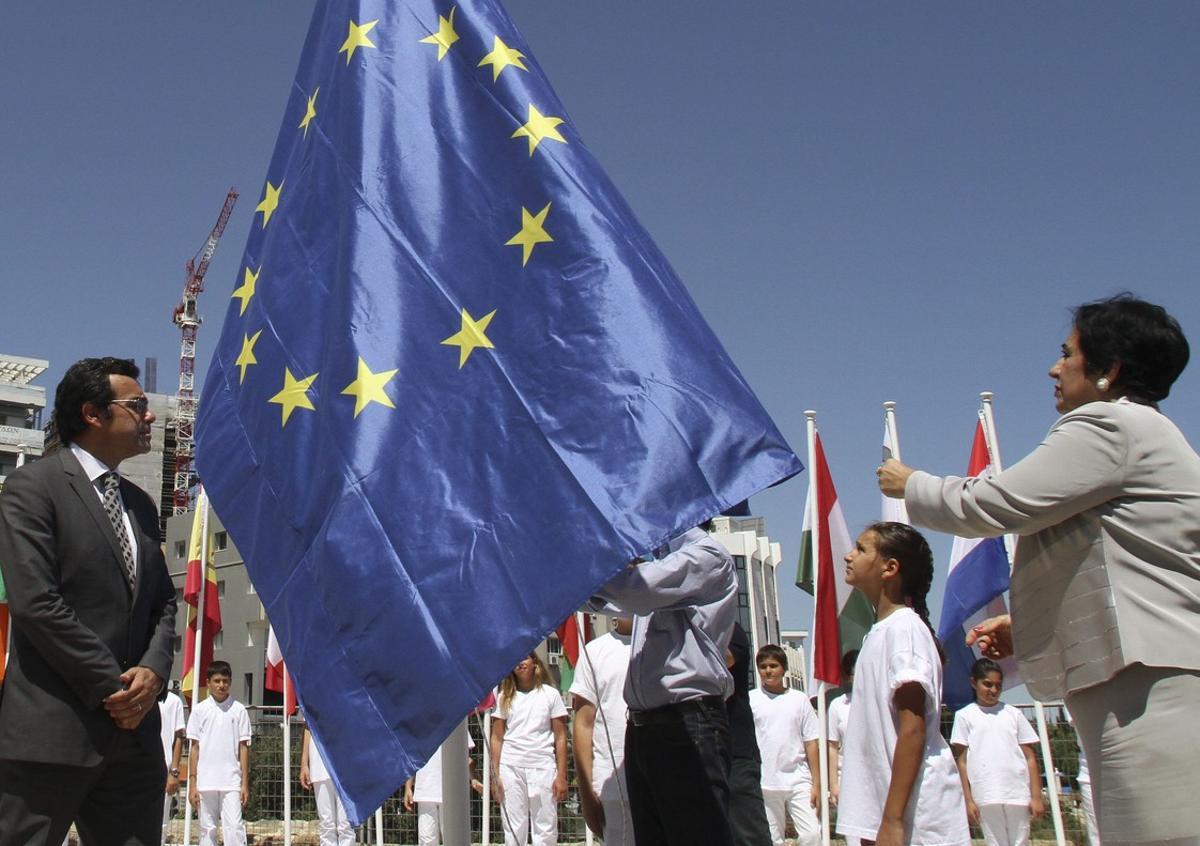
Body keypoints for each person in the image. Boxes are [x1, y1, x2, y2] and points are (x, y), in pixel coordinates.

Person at [880, 294, 1200, 844]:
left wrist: (913, 486)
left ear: (1110, 371)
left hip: (1151, 688)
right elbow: (1105, 570)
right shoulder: (1138, 433)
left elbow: (996, 502)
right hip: (1145, 681)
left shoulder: (1110, 427)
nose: (1054, 367)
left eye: (1067, 353)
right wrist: (1025, 628)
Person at [0, 356, 178, 844]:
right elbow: (37, 603)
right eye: (137, 404)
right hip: (52, 735)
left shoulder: (140, 505)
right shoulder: (32, 489)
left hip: (135, 740)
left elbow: (163, 602)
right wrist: (114, 687)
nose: (150, 416)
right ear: (93, 414)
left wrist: (154, 672)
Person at [588, 523, 738, 846]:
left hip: (687, 723)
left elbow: (635, 591)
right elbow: (613, 601)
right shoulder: (661, 564)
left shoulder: (707, 556)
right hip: (646, 729)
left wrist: (589, 568)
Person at [836, 522, 970, 846]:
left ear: (890, 568)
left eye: (861, 549)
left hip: (917, 818)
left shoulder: (904, 631)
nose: (848, 556)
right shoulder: (878, 633)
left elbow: (912, 729)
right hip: (885, 815)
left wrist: (893, 821)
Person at [950, 659, 1043, 846]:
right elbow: (962, 761)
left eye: (997, 685)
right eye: (987, 684)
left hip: (1017, 792)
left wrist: (1036, 796)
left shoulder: (1012, 714)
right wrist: (968, 800)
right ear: (973, 683)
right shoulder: (964, 716)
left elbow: (1030, 757)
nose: (992, 690)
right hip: (985, 793)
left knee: (1020, 841)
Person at [568, 616, 634, 846]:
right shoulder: (595, 651)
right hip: (614, 788)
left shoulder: (664, 643)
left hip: (664, 783)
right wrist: (586, 794)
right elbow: (584, 723)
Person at [489, 652, 568, 846]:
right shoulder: (504, 697)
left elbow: (560, 737)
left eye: (524, 658)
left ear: (535, 662)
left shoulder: (551, 694)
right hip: (511, 768)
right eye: (515, 660)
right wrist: (495, 775)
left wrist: (562, 776)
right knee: (514, 829)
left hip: (543, 768)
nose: (520, 663)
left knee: (546, 829)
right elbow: (497, 738)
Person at [748, 643, 820, 846]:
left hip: (799, 780)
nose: (768, 671)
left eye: (773, 665)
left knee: (812, 835)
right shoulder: (751, 700)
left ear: (783, 668)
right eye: (763, 666)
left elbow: (811, 742)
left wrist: (817, 783)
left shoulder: (800, 699)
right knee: (772, 839)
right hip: (765, 781)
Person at [186, 661, 252, 846]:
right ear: (208, 683)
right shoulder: (199, 710)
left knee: (234, 829)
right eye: (217, 681)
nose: (221, 685)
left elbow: (244, 748)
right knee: (207, 830)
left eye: (225, 681)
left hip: (231, 781)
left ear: (230, 682)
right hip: (205, 781)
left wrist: (244, 783)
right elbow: (194, 748)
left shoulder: (239, 710)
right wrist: (192, 783)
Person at [725, 622, 773, 846]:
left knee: (748, 835)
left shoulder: (729, 629)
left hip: (736, 754)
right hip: (699, 753)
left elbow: (719, 661)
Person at [403, 733, 482, 846]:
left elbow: (466, 757)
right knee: (426, 838)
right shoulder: (419, 725)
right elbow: (412, 758)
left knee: (452, 838)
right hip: (425, 790)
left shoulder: (457, 722)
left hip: (452, 790)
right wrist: (408, 787)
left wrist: (473, 778)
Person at [301, 722, 355, 846]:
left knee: (346, 824)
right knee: (326, 823)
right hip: (319, 763)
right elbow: (307, 726)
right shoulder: (312, 701)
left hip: (346, 764)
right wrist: (304, 763)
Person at [827, 650, 859, 846]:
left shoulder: (885, 701)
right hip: (848, 781)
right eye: (855, 672)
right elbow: (832, 746)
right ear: (848, 675)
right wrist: (833, 785)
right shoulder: (838, 705)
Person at [159, 686, 186, 846]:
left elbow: (179, 737)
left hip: (163, 771)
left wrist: (174, 772)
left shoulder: (173, 701)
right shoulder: (138, 695)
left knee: (160, 824)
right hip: (135, 769)